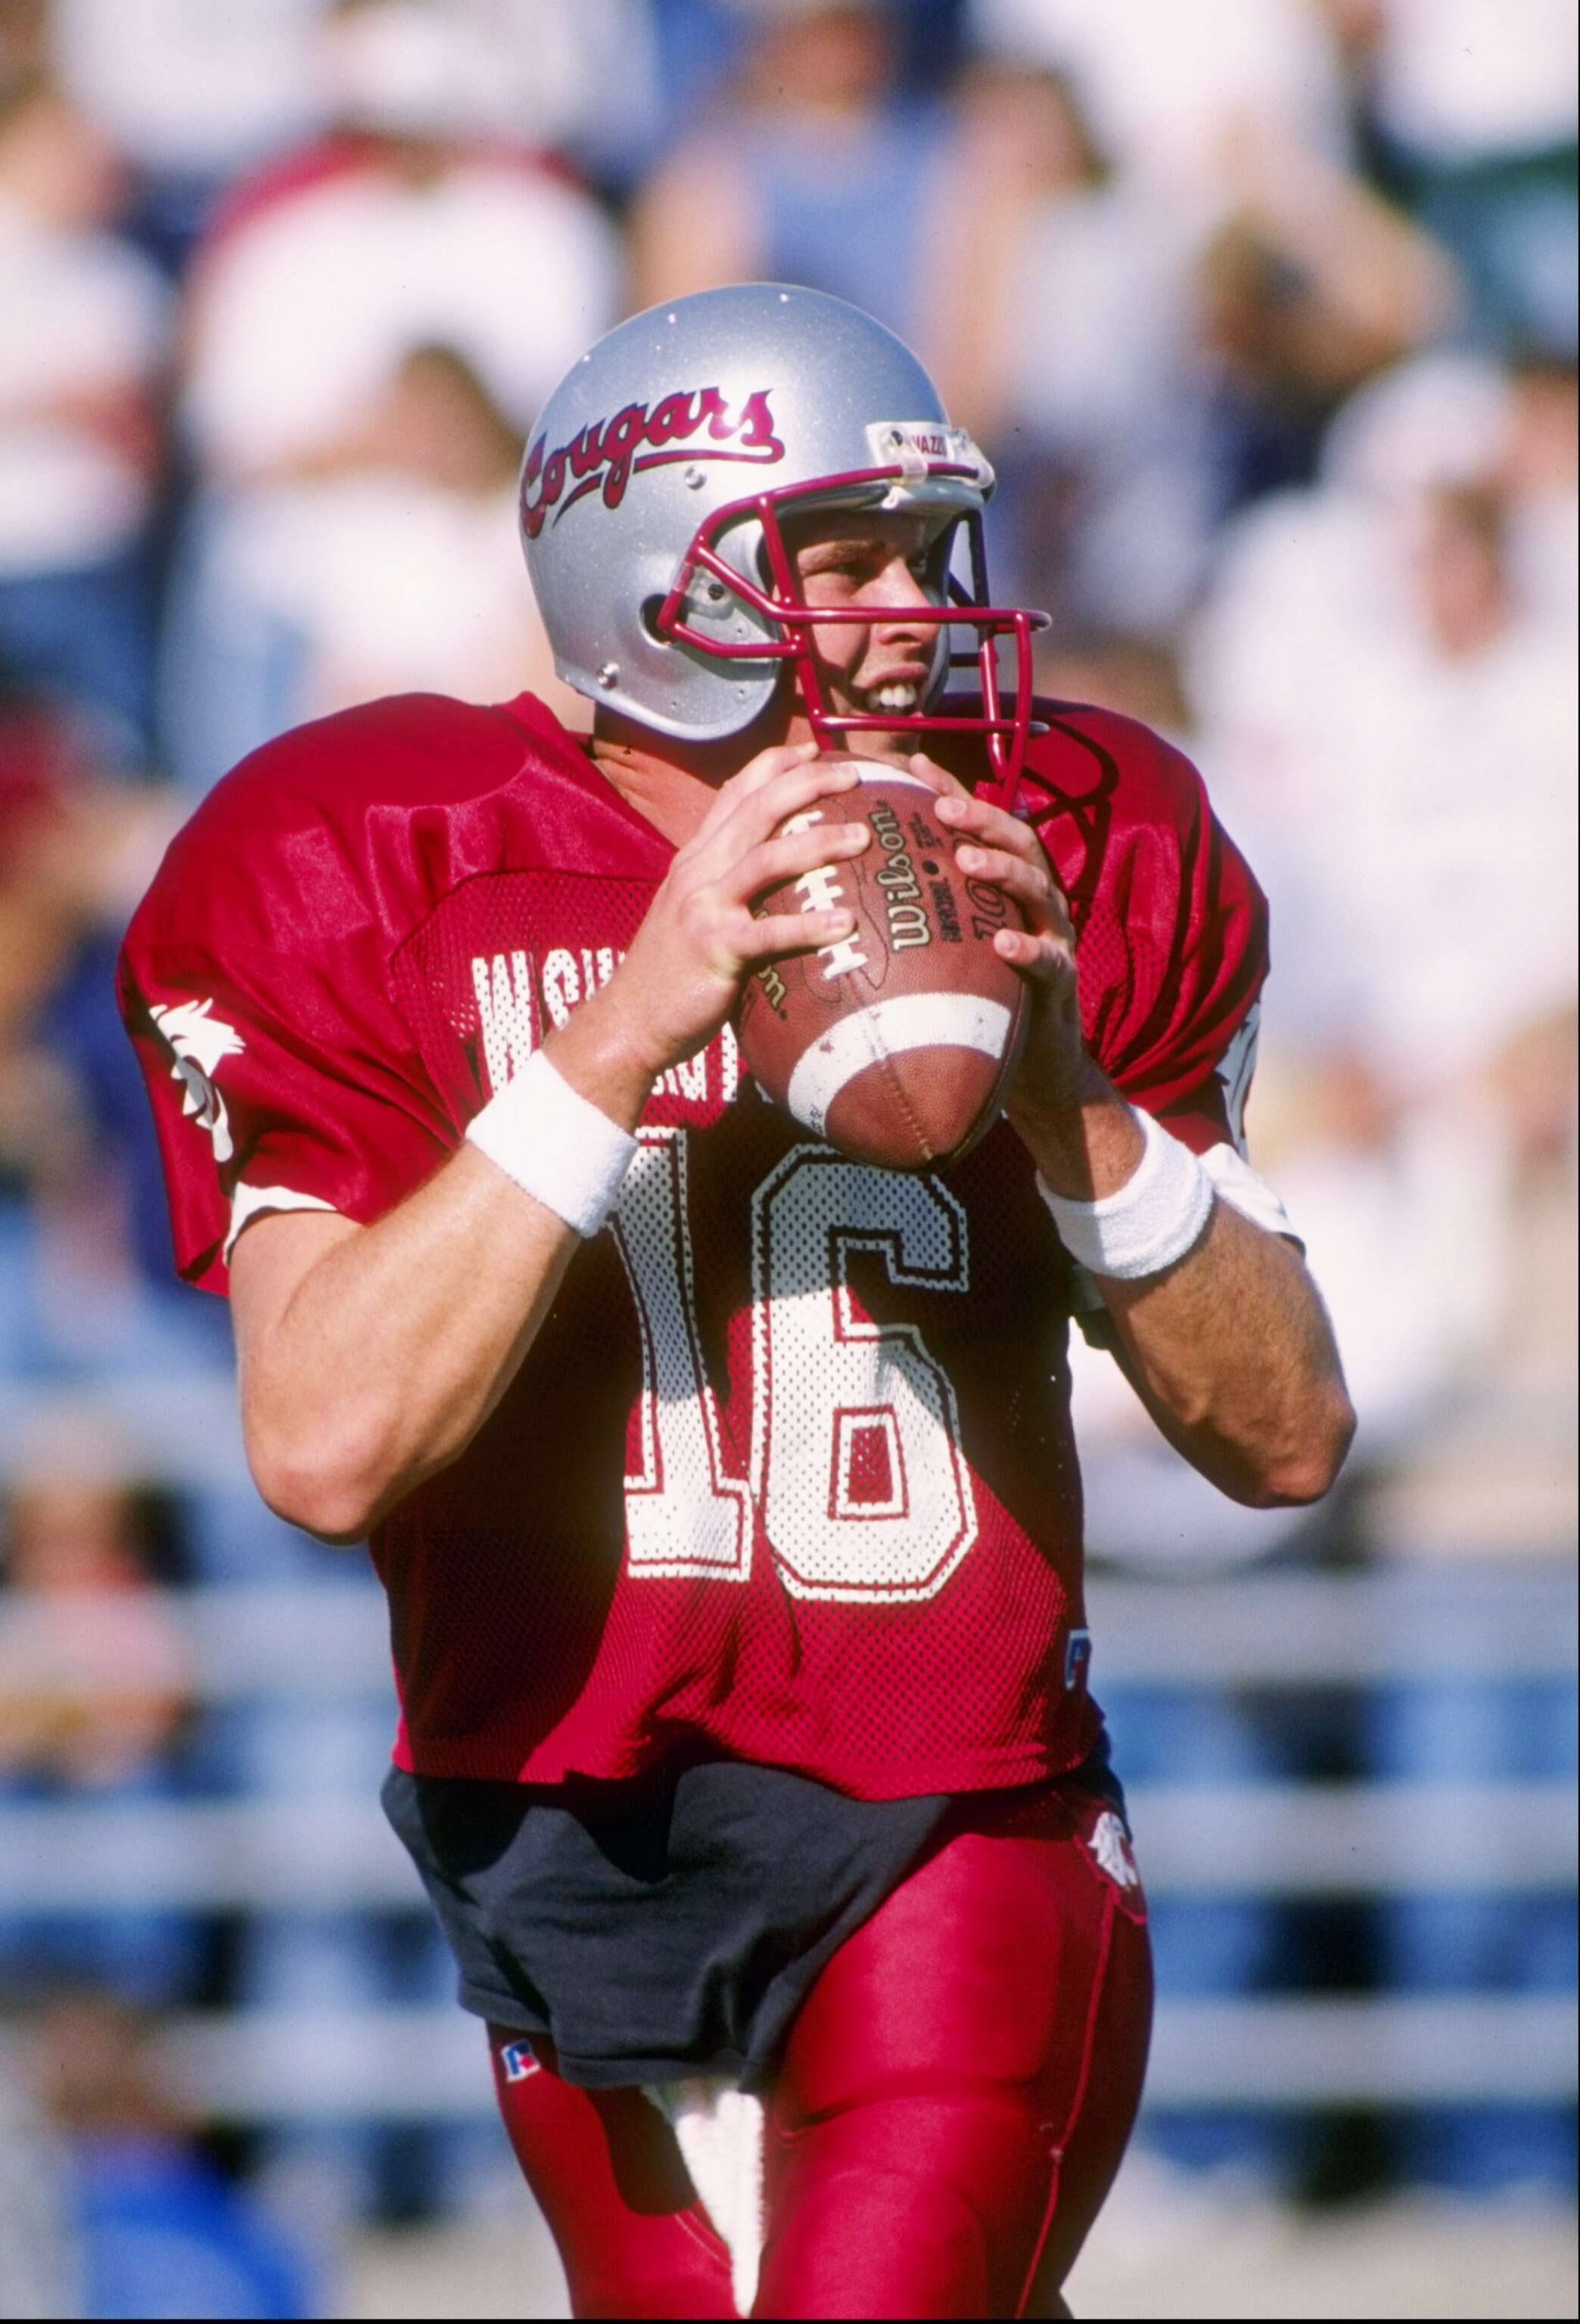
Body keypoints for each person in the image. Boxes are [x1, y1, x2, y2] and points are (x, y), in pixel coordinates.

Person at [120, 285, 1351, 2319]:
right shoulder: (369, 850)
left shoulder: (1066, 833)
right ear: (642, 567)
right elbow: (323, 1443)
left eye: (924, 551)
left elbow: (1287, 1430)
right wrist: (621, 1035)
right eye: (836, 559)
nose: (908, 612)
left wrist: (1078, 1112)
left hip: (961, 1799)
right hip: (563, 1825)